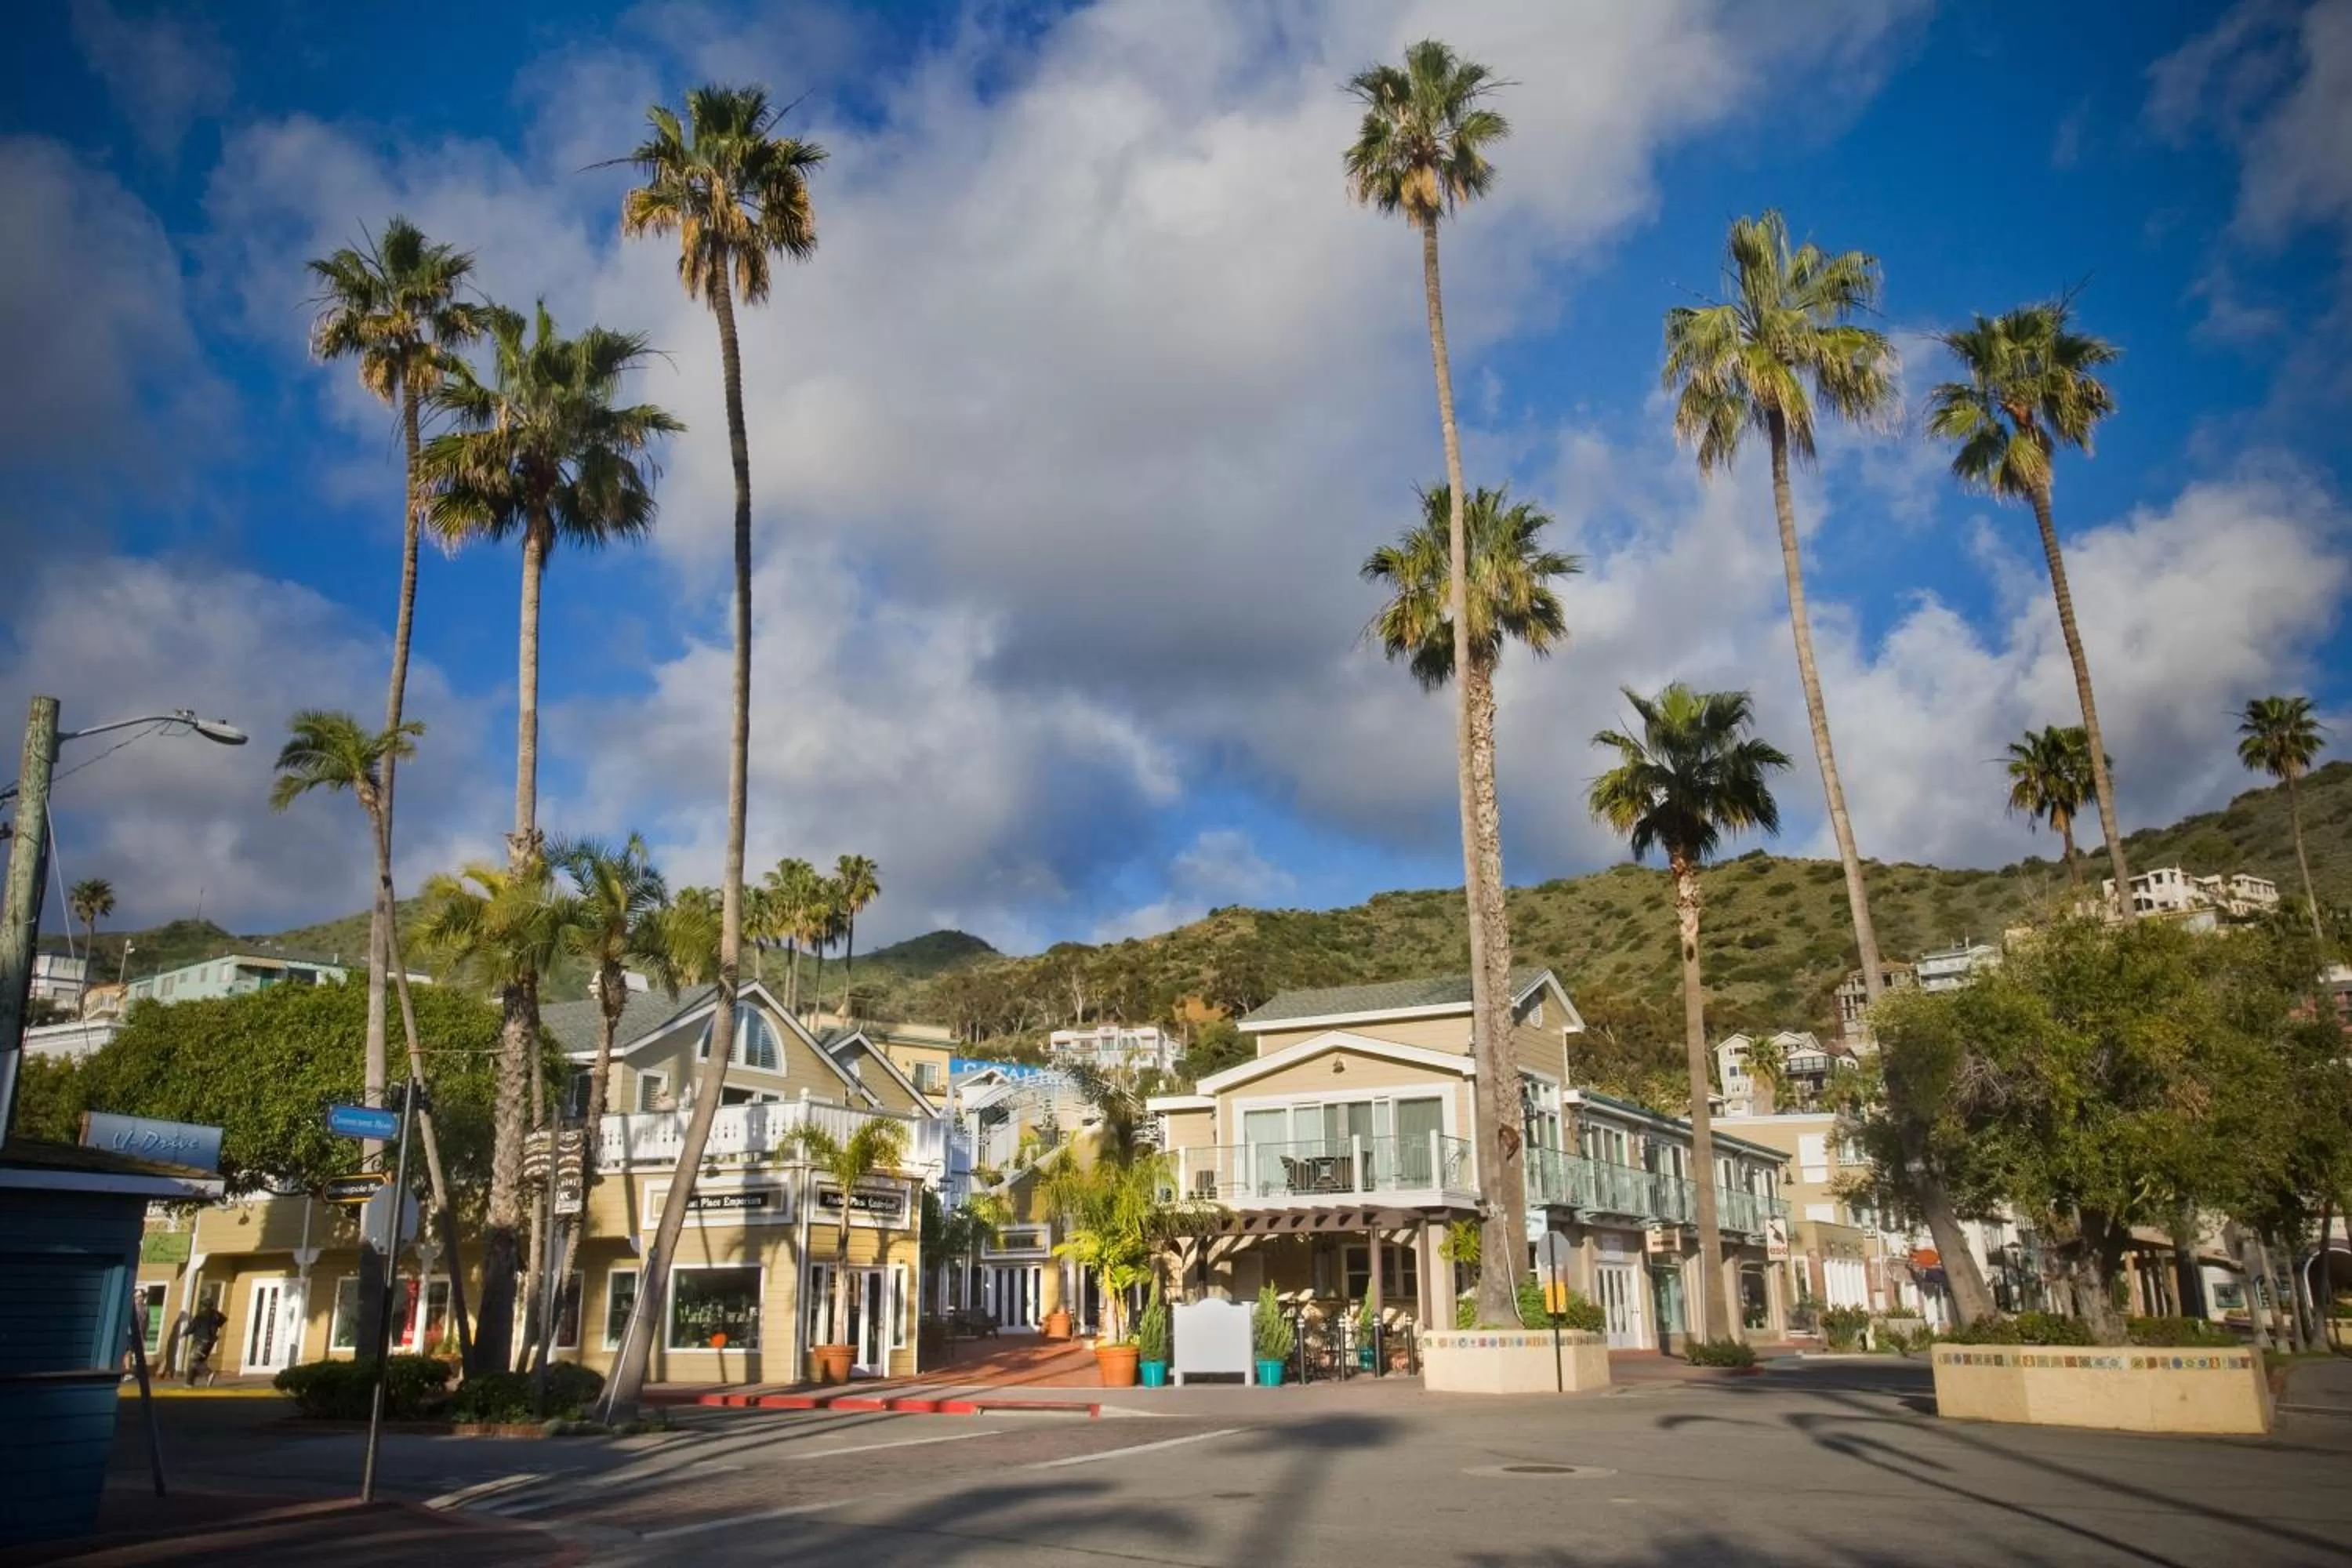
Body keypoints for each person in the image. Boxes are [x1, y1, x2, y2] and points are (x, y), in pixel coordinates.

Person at [187, 1302, 227, 1385]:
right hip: (210, 1342)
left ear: (204, 1307)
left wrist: (184, 1333)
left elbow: (191, 1328)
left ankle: (208, 1373)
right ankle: (189, 1383)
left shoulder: (201, 1316)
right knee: (199, 1361)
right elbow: (224, 1319)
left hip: (201, 1341)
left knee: (193, 1361)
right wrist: (216, 1328)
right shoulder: (216, 1315)